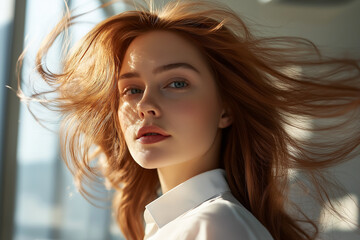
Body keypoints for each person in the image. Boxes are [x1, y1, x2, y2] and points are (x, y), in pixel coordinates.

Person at [17, 0, 360, 239]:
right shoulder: (181, 224)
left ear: (225, 109)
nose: (145, 105)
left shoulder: (213, 226)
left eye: (177, 83)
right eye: (131, 89)